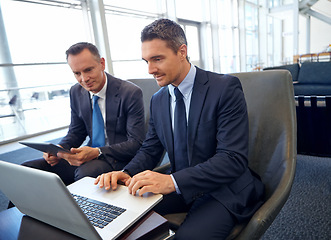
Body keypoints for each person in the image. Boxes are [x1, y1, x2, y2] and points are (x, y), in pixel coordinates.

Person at [95, 19, 265, 240]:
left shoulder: (225, 88)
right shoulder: (158, 100)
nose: (150, 69)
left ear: (182, 51)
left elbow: (232, 159)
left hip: (224, 188)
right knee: (123, 212)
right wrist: (126, 173)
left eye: (157, 59)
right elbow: (150, 149)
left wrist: (171, 182)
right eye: (146, 60)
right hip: (181, 184)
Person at [22, 42, 145, 185]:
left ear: (102, 63)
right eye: (77, 73)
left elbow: (136, 143)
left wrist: (97, 151)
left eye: (88, 70)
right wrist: (60, 150)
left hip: (117, 158)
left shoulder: (129, 93)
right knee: (28, 169)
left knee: (85, 174)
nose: (84, 79)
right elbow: (76, 132)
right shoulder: (76, 91)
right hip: (87, 156)